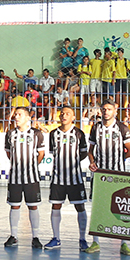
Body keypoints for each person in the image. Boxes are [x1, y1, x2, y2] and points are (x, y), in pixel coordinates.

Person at [84, 99, 130, 255]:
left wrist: (117, 165)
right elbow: (90, 151)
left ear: (115, 110)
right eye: (104, 109)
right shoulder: (96, 128)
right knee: (98, 208)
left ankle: (124, 243)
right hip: (100, 176)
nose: (106, 111)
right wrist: (92, 162)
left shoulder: (122, 128)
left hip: (117, 175)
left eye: (109, 109)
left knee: (122, 209)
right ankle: (96, 242)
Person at [42, 106, 88, 251]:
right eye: (62, 113)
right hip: (58, 179)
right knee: (56, 206)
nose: (64, 116)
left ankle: (82, 239)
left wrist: (72, 163)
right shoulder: (53, 134)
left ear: (73, 117)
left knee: (80, 206)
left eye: (68, 113)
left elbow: (84, 153)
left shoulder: (79, 133)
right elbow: (52, 152)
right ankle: (56, 238)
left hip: (75, 179)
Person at [2, 106, 46, 248]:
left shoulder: (37, 134)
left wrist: (31, 166)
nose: (16, 117)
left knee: (33, 207)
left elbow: (41, 154)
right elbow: (9, 153)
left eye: (20, 114)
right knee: (14, 206)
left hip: (31, 178)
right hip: (15, 177)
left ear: (28, 118)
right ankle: (13, 235)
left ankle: (36, 237)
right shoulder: (10, 134)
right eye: (15, 114)